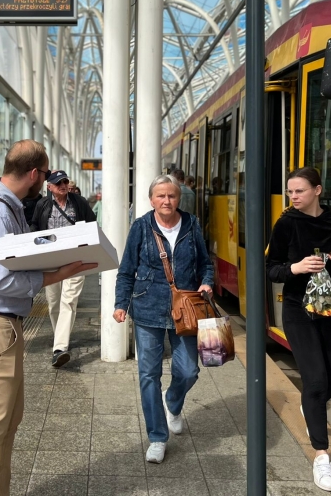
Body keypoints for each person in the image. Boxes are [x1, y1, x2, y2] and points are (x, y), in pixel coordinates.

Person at [0, 141, 96, 496]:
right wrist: (57, 274)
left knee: (7, 422)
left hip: (0, 326)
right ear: (34, 174)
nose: (47, 180)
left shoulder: (7, 206)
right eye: (46, 173)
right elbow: (3, 280)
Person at [265, 166, 331, 493]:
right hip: (299, 310)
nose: (293, 196)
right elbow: (271, 268)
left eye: (299, 191)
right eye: (290, 191)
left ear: (317, 190)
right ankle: (321, 455)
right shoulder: (286, 224)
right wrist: (296, 267)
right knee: (317, 381)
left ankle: (311, 407)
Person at [113, 175, 213, 464]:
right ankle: (157, 437)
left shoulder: (192, 224)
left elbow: (205, 263)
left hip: (186, 309)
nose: (166, 201)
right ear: (151, 200)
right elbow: (126, 269)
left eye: (171, 196)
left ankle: (173, 401)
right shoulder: (141, 226)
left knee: (189, 370)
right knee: (148, 375)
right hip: (148, 307)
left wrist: (206, 282)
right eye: (161, 196)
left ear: (179, 198)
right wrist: (121, 304)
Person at [31, 170, 97, 367]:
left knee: (68, 301)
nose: (63, 185)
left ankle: (60, 348)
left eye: (65, 182)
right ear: (49, 187)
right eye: (58, 183)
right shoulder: (43, 205)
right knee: (53, 303)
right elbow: (35, 228)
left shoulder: (79, 202)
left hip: (75, 259)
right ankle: (60, 337)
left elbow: (92, 225)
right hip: (50, 260)